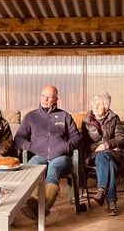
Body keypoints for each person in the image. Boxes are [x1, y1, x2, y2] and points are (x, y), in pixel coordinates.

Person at [14, 84, 81, 220]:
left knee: (53, 170)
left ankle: (43, 209)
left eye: (50, 97)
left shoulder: (64, 116)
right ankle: (32, 205)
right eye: (44, 96)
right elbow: (19, 138)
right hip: (39, 156)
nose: (46, 99)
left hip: (61, 157)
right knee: (31, 169)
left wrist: (66, 147)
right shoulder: (31, 117)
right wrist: (32, 147)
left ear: (56, 99)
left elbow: (77, 137)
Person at [81, 92, 124, 216]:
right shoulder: (86, 121)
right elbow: (84, 143)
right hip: (94, 155)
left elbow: (121, 138)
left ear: (106, 107)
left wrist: (106, 145)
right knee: (106, 160)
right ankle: (111, 201)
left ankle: (101, 190)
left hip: (115, 155)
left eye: (99, 104)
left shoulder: (114, 119)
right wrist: (100, 147)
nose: (95, 107)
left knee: (107, 159)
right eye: (94, 104)